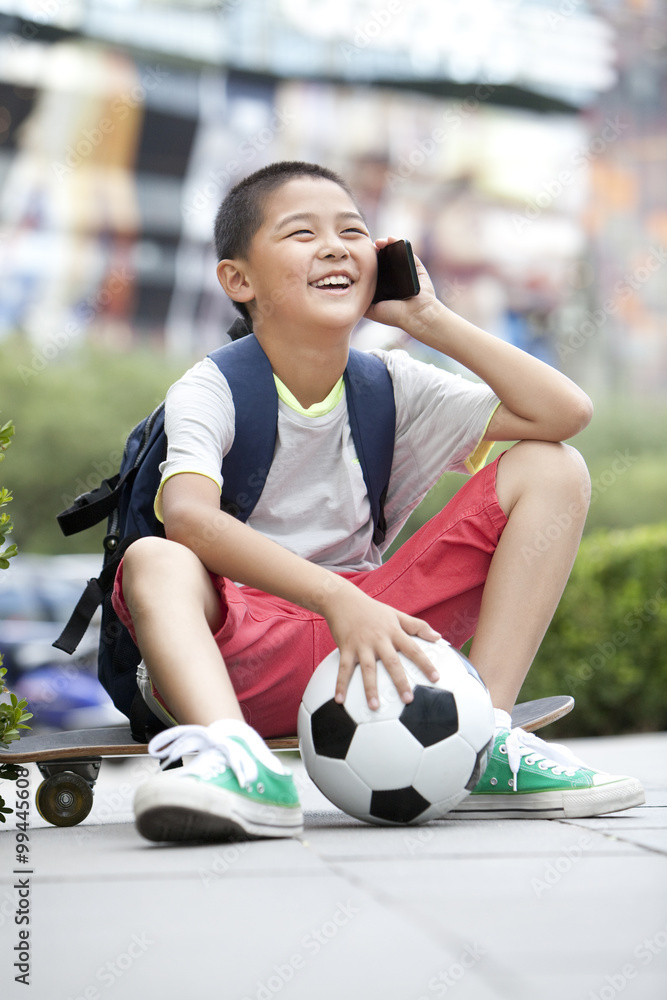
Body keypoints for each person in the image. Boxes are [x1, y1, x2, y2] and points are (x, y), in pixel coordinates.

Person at [114, 160, 644, 843]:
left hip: (378, 636)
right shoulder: (210, 388)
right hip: (238, 654)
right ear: (237, 280)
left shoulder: (392, 386)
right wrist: (337, 599)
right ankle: (235, 764)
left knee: (552, 468)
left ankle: (482, 739)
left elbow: (563, 413)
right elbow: (187, 517)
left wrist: (428, 317)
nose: (334, 246)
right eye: (300, 233)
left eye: (352, 231)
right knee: (155, 557)